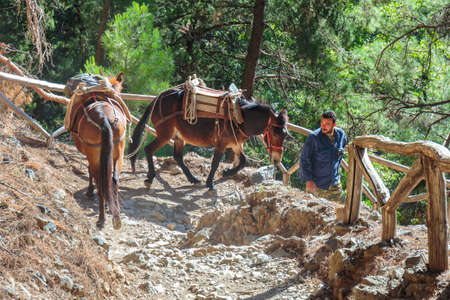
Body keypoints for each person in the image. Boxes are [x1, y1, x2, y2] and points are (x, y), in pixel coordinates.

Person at [299, 110, 347, 202]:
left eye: (327, 123)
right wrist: (309, 181)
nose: (323, 126)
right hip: (317, 186)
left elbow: (343, 145)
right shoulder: (314, 137)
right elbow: (304, 160)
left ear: (334, 125)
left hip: (335, 183)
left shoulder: (341, 135)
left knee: (340, 211)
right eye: (322, 122)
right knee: (316, 213)